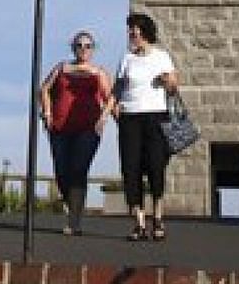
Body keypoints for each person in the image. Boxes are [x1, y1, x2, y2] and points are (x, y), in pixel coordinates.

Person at [113, 13, 178, 241]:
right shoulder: (126, 58)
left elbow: (173, 86)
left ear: (145, 32)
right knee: (130, 169)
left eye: (136, 30)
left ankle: (158, 217)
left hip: (155, 117)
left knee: (155, 166)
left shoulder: (161, 56)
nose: (132, 34)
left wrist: (165, 80)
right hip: (130, 117)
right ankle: (139, 222)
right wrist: (112, 107)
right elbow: (118, 87)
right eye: (130, 30)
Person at [40, 31, 113, 235]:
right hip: (59, 127)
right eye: (79, 45)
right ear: (73, 47)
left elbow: (111, 97)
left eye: (88, 45)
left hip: (88, 129)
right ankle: (72, 205)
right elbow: (44, 89)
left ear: (93, 49)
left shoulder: (99, 72)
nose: (83, 49)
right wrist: (47, 111)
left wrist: (105, 116)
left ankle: (74, 222)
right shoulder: (62, 67)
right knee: (62, 171)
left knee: (78, 169)